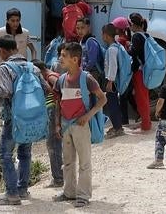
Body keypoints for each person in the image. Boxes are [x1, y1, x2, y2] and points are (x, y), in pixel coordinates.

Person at [0, 36, 51, 205]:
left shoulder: (5, 67)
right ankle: (22, 190)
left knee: (5, 154)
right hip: (30, 118)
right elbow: (46, 89)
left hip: (12, 118)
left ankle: (12, 194)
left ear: (1, 50)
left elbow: (6, 91)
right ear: (15, 48)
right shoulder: (33, 67)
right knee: (25, 153)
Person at [52, 42, 107, 208]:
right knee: (67, 161)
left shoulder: (87, 79)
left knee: (84, 162)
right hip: (65, 126)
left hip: (81, 126)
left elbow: (103, 98)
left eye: (63, 56)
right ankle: (69, 192)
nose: (60, 58)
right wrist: (57, 124)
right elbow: (58, 103)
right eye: (60, 55)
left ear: (75, 59)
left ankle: (83, 195)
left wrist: (88, 116)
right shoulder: (60, 80)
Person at [32, 59, 64, 188]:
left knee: (53, 145)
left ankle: (58, 179)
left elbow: (60, 94)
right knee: (55, 144)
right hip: (54, 112)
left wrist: (57, 119)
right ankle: (60, 176)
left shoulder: (50, 77)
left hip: (53, 112)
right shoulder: (54, 74)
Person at [0, 8, 37, 72]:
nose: (15, 23)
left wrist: (33, 64)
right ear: (7, 20)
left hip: (20, 68)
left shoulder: (25, 33)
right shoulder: (1, 32)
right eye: (12, 21)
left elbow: (33, 50)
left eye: (17, 20)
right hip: (2, 67)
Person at [129, 12, 152, 132]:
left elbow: (133, 52)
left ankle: (145, 125)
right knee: (145, 96)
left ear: (133, 24)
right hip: (146, 70)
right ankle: (145, 121)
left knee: (140, 98)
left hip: (139, 71)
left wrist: (126, 47)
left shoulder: (136, 36)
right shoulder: (146, 35)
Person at [111, 16, 136, 126]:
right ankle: (140, 113)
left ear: (117, 30)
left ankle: (124, 120)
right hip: (129, 73)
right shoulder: (127, 39)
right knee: (128, 95)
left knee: (122, 97)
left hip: (123, 74)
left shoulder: (120, 41)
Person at [101, 23, 125, 138]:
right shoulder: (117, 46)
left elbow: (113, 66)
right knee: (114, 103)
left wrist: (110, 81)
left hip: (112, 81)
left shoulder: (111, 50)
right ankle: (117, 126)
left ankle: (117, 128)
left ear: (106, 35)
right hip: (113, 80)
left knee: (112, 104)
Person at [76, 17, 103, 85]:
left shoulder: (91, 42)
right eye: (77, 28)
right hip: (86, 72)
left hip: (93, 73)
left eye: (82, 28)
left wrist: (85, 71)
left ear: (88, 27)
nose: (80, 31)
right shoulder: (82, 41)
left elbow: (92, 61)